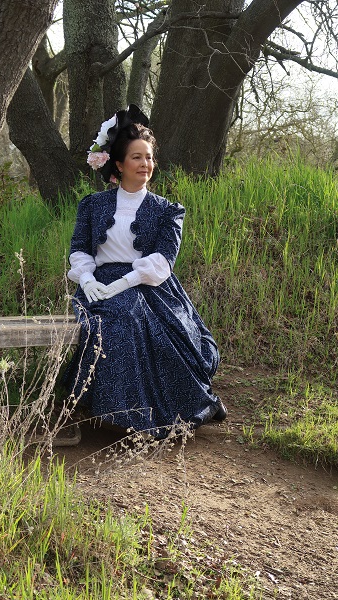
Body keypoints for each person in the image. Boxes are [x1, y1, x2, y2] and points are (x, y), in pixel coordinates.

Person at [63, 104, 227, 440]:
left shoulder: (168, 210)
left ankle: (138, 416)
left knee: (131, 314)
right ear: (119, 164)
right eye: (137, 158)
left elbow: (164, 261)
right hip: (98, 285)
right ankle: (106, 411)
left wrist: (126, 282)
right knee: (111, 317)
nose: (145, 164)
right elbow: (79, 248)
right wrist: (87, 278)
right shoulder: (93, 205)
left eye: (149, 157)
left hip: (151, 286)